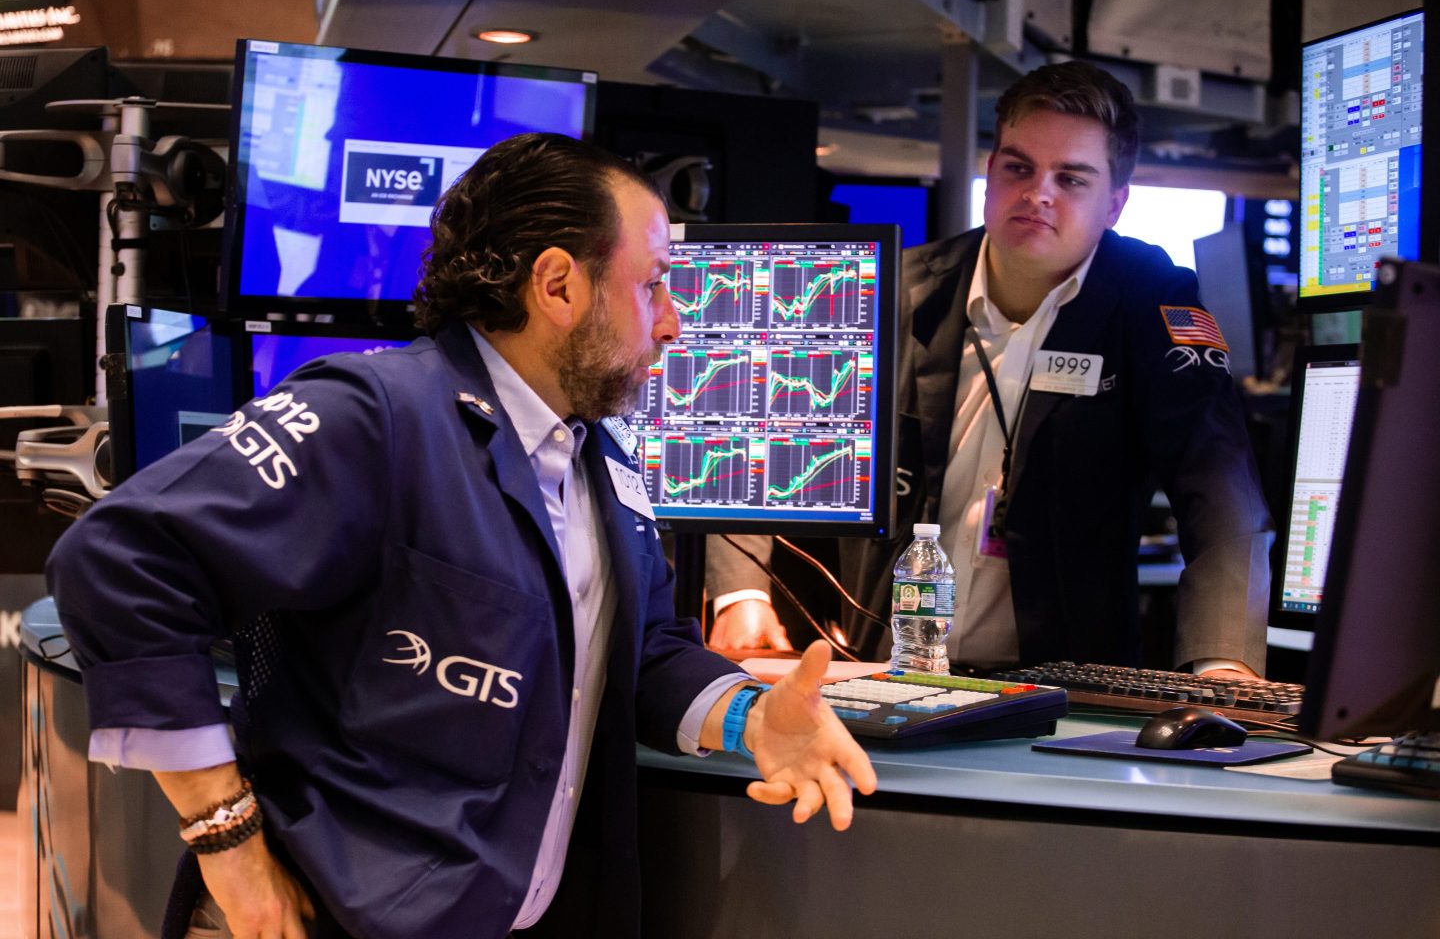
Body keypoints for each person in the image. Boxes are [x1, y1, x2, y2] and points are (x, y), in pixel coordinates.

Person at [46, 133, 876, 939]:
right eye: (654, 284)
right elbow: (119, 562)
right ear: (557, 286)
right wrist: (227, 842)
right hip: (332, 912)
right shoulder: (376, 414)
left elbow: (645, 651)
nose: (672, 322)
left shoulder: (601, 458)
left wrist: (751, 718)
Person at [712, 61, 1273, 678]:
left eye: (1072, 178)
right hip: (878, 668)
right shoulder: (897, 290)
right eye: (1019, 167)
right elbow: (758, 434)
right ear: (990, 175)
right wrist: (742, 594)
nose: (1039, 193)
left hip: (1063, 687)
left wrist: (1224, 663)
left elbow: (1222, 497)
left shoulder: (1151, 301)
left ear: (1115, 204)